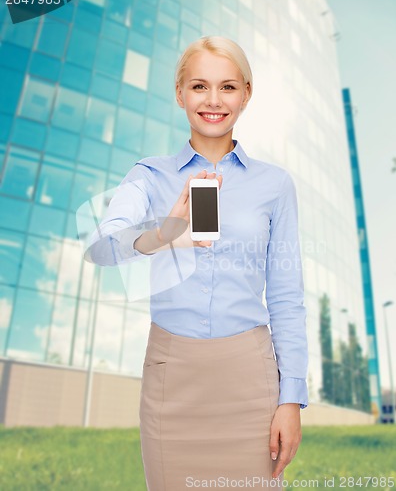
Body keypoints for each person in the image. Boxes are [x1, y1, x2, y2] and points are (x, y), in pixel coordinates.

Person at [84, 35, 308, 491]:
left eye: (228, 87)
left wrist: (291, 399)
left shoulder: (275, 185)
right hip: (173, 375)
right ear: (180, 92)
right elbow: (101, 247)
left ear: (247, 94)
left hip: (251, 378)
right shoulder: (148, 175)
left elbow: (286, 296)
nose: (213, 100)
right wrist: (164, 234)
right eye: (200, 86)